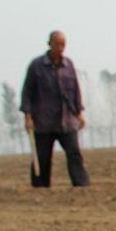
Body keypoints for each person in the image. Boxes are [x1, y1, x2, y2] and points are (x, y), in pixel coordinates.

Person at [20, 30, 90, 187]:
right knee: (43, 157)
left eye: (63, 44)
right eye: (57, 44)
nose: (60, 48)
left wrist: (79, 113)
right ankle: (40, 187)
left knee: (74, 153)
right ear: (49, 44)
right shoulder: (36, 66)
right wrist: (28, 117)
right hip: (43, 122)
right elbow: (27, 93)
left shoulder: (68, 65)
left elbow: (75, 90)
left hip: (67, 120)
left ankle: (81, 185)